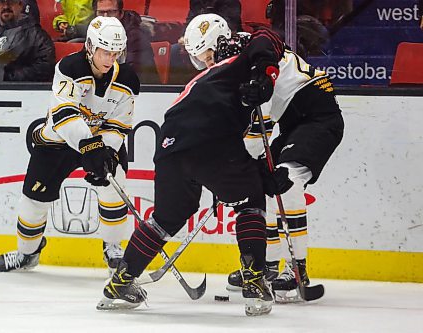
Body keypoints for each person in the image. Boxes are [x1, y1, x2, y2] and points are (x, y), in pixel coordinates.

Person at [97, 15, 285, 316]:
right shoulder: (241, 58)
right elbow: (271, 38)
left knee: (167, 218)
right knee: (250, 199)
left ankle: (120, 282)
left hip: (171, 142)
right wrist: (266, 72)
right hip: (212, 136)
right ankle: (254, 282)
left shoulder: (203, 79)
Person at [0, 16, 140, 274]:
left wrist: (106, 151)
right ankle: (27, 254)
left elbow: (119, 124)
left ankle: (113, 247)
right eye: (105, 51)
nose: (110, 58)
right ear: (91, 47)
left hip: (102, 142)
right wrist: (89, 145)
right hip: (58, 141)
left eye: (115, 52)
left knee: (114, 188)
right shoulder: (69, 67)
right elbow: (64, 115)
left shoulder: (128, 79)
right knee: (33, 199)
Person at [207, 18, 343, 299]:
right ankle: (268, 265)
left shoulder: (256, 71)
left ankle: (297, 270)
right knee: (263, 185)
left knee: (287, 184)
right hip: (293, 123)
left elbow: (260, 132)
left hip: (319, 121)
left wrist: (240, 170)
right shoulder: (252, 56)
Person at [168, 0, 243, 84]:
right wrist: (185, 37)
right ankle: (187, 84)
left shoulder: (230, 2)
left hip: (221, 38)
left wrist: (204, 36)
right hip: (200, 39)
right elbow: (191, 21)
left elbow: (229, 25)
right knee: (175, 50)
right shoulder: (197, 1)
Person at [89, 0, 159, 83]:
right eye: (101, 12)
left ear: (121, 14)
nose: (106, 17)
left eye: (111, 12)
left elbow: (133, 75)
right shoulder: (94, 34)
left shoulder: (136, 37)